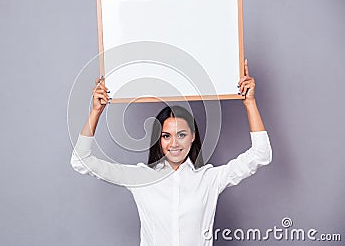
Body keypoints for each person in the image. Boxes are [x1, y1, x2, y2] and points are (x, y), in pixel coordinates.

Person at [71, 59, 272, 246]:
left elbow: (261, 154)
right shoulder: (141, 178)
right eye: (166, 136)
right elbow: (81, 161)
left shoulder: (209, 179)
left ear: (193, 137)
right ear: (159, 139)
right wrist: (96, 111)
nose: (174, 143)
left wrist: (249, 103)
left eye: (181, 135)